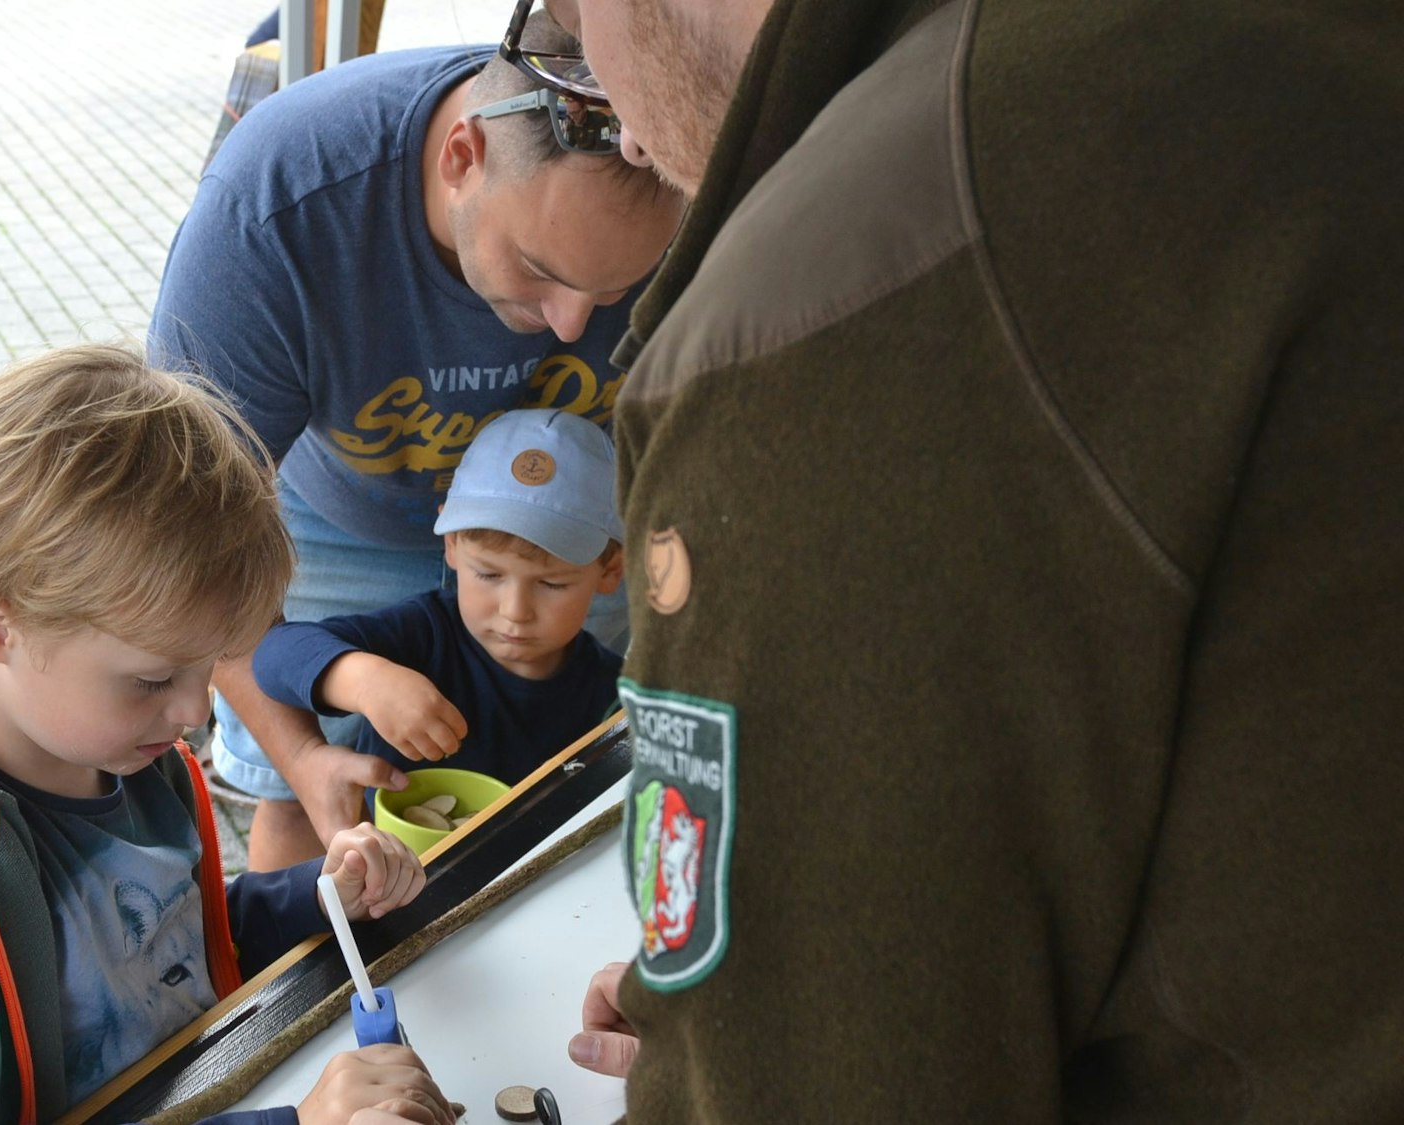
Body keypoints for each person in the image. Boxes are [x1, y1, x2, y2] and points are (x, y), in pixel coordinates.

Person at [530, 0, 1404, 1118]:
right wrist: (725, 1021)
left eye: (560, 22)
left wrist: (732, 1051)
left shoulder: (831, 311)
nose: (627, 135)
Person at [0, 346, 454, 1125]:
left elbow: (150, 948)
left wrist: (319, 899)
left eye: (205, 666)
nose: (195, 714)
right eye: (152, 679)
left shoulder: (113, 749)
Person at [148, 12, 684, 871]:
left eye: (616, 289)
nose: (573, 324)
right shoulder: (276, 207)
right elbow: (184, 550)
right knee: (302, 803)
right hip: (332, 520)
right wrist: (306, 755)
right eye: (543, 270)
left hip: (573, 525)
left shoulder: (693, 190)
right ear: (461, 158)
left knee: (569, 774)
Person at [251, 409, 626, 815]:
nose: (515, 611)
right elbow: (275, 655)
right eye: (488, 573)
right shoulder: (424, 635)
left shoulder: (616, 695)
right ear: (450, 546)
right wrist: (366, 682)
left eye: (552, 584)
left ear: (610, 571)